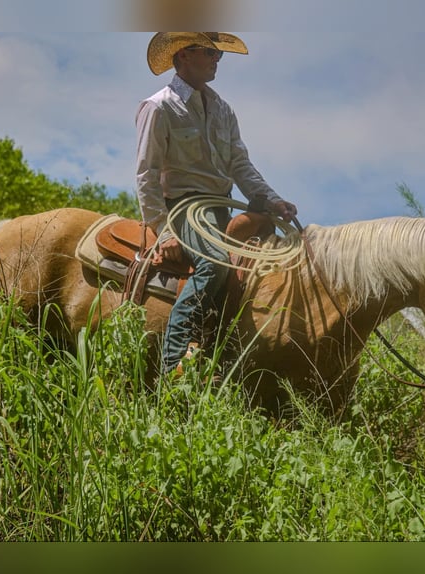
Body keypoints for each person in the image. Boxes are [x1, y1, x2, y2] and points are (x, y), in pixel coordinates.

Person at [136, 32, 298, 376]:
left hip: (221, 205)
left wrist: (273, 199)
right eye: (209, 52)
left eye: (217, 54)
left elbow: (240, 164)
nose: (217, 59)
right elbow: (146, 175)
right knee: (214, 264)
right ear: (183, 56)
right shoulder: (159, 106)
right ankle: (173, 361)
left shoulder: (223, 109)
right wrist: (164, 232)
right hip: (184, 208)